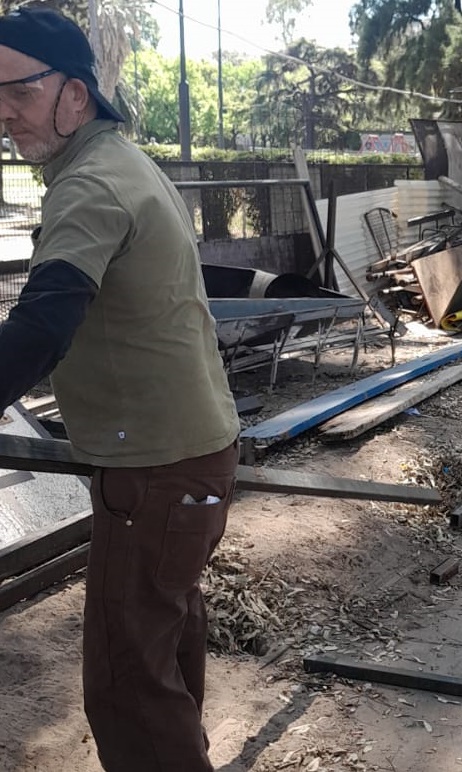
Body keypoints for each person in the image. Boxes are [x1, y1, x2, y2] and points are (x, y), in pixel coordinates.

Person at [0, 7, 240, 771]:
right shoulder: (119, 161)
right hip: (188, 454)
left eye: (19, 94)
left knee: (125, 684)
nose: (4, 114)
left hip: (157, 472)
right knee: (162, 648)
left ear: (75, 95)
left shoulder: (91, 186)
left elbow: (41, 325)